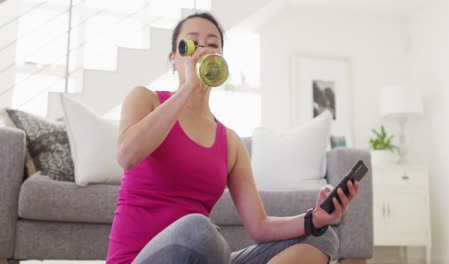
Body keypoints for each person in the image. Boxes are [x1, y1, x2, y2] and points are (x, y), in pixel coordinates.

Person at [106, 12, 360, 264]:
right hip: (139, 258)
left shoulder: (230, 142)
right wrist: (188, 89)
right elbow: (127, 155)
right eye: (192, 44)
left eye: (212, 45)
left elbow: (260, 226)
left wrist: (314, 219)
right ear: (174, 59)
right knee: (200, 230)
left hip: (209, 256)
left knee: (323, 239)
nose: (202, 51)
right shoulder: (145, 99)